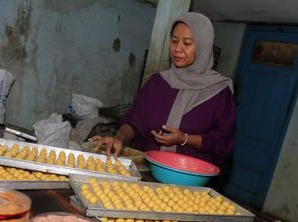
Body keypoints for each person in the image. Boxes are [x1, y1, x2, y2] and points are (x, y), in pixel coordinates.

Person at [90, 12, 236, 167]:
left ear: (203, 46)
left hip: (190, 180)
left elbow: (222, 141)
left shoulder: (219, 92)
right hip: (148, 172)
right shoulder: (158, 83)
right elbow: (135, 121)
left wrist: (184, 139)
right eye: (174, 41)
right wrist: (119, 137)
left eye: (187, 43)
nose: (177, 48)